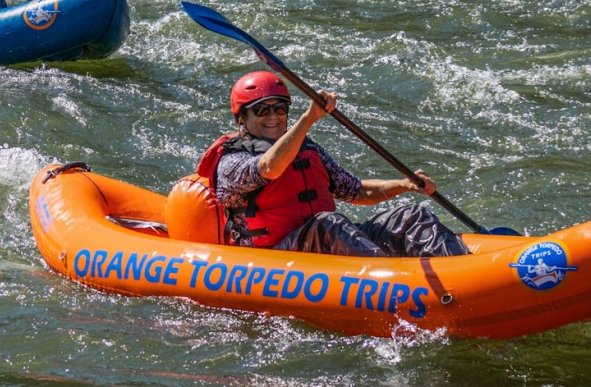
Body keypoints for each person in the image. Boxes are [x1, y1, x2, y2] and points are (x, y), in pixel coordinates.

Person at [195, 70, 469, 258]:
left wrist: (403, 185)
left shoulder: (307, 148)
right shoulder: (231, 160)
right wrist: (309, 118)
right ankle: (397, 279)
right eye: (261, 110)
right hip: (274, 257)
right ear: (241, 117)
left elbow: (355, 191)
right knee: (328, 223)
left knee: (410, 215)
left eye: (279, 109)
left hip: (319, 242)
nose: (273, 117)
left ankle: (461, 271)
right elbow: (269, 168)